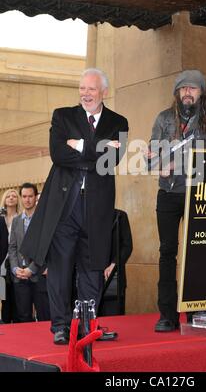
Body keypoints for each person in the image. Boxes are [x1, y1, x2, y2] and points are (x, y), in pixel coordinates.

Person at [20, 68, 129, 344]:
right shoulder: (62, 116)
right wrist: (96, 148)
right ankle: (60, 326)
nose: (85, 94)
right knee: (60, 269)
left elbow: (111, 161)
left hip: (97, 208)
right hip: (64, 207)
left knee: (93, 269)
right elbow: (59, 154)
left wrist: (79, 145)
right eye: (82, 88)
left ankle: (87, 326)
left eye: (91, 89)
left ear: (103, 91)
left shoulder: (120, 122)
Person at [147, 69, 206, 332]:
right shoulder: (164, 117)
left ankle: (197, 311)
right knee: (167, 252)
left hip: (199, 192)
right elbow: (150, 156)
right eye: (183, 89)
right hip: (168, 193)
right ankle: (167, 315)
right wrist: (157, 162)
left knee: (198, 252)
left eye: (193, 88)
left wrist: (169, 157)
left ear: (202, 92)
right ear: (177, 93)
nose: (187, 93)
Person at [8, 183, 50, 322]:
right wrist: (15, 268)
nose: (27, 200)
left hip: (39, 275)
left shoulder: (44, 220)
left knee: (44, 316)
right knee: (23, 317)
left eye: (30, 196)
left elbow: (45, 248)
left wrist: (32, 269)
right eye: (24, 196)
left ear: (36, 196)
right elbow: (12, 247)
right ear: (21, 198)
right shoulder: (16, 221)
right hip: (20, 276)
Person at [98, 208, 133, 316]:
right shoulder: (85, 217)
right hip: (90, 278)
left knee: (114, 319)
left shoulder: (120, 216)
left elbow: (127, 246)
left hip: (114, 277)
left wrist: (114, 264)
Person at [0, 188, 22, 323]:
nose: (11, 198)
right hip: (2, 263)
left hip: (18, 262)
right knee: (4, 296)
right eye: (8, 196)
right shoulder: (0, 218)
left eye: (14, 196)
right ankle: (5, 322)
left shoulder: (21, 217)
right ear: (4, 200)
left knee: (18, 295)